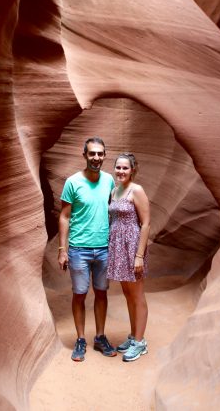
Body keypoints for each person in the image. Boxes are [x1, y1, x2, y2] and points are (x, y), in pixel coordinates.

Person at [58, 137, 117, 362]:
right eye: (92, 153)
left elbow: (115, 210)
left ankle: (100, 337)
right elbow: (64, 217)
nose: (96, 158)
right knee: (79, 295)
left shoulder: (109, 180)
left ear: (104, 155)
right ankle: (81, 339)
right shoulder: (73, 182)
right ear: (84, 155)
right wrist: (62, 249)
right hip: (79, 250)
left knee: (101, 293)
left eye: (100, 154)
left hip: (103, 248)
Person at [107, 152, 150, 362]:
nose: (121, 171)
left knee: (137, 295)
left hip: (132, 247)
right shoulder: (115, 191)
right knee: (128, 294)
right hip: (118, 247)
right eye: (118, 167)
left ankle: (140, 343)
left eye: (125, 168)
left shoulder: (137, 190)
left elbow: (146, 224)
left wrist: (139, 256)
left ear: (132, 170)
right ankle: (134, 336)